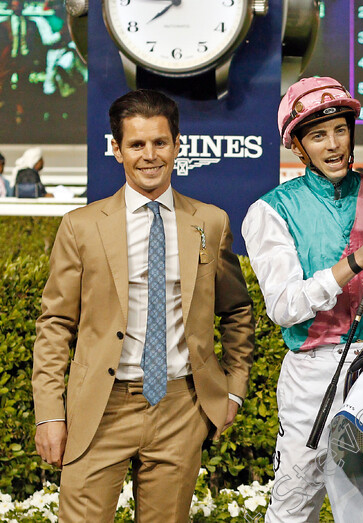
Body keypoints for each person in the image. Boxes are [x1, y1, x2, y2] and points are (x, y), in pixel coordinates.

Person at [31, 89, 255, 522]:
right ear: (117, 150)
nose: (149, 155)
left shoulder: (210, 221)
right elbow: (55, 324)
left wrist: (234, 389)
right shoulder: (80, 227)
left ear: (177, 145)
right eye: (136, 144)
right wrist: (48, 415)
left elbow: (238, 311)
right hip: (99, 408)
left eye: (159, 143)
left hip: (180, 406)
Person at [241, 76, 363, 523]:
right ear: (298, 146)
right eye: (317, 135)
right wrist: (355, 261)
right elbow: (284, 307)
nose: (332, 145)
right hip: (312, 378)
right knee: (293, 510)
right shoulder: (271, 211)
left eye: (340, 130)